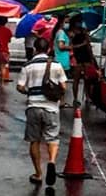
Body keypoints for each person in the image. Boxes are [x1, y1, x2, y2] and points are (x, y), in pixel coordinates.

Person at [16, 36, 68, 187]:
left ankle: (38, 173)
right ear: (49, 49)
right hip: (51, 107)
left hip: (33, 106)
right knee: (53, 138)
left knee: (34, 140)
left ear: (35, 49)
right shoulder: (57, 65)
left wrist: (29, 91)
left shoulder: (28, 65)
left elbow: (20, 87)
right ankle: (51, 161)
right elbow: (64, 86)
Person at [69, 15, 94, 107]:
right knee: (77, 79)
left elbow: (88, 46)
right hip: (77, 57)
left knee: (87, 79)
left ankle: (87, 97)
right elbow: (71, 46)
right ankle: (76, 98)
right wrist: (82, 44)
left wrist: (91, 58)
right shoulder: (71, 33)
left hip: (85, 57)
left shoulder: (83, 31)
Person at [53, 18, 72, 103]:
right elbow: (61, 46)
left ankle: (60, 101)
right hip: (61, 60)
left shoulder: (61, 32)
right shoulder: (61, 33)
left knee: (59, 82)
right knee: (62, 83)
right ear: (61, 23)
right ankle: (61, 101)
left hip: (61, 60)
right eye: (66, 22)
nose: (67, 24)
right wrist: (71, 47)